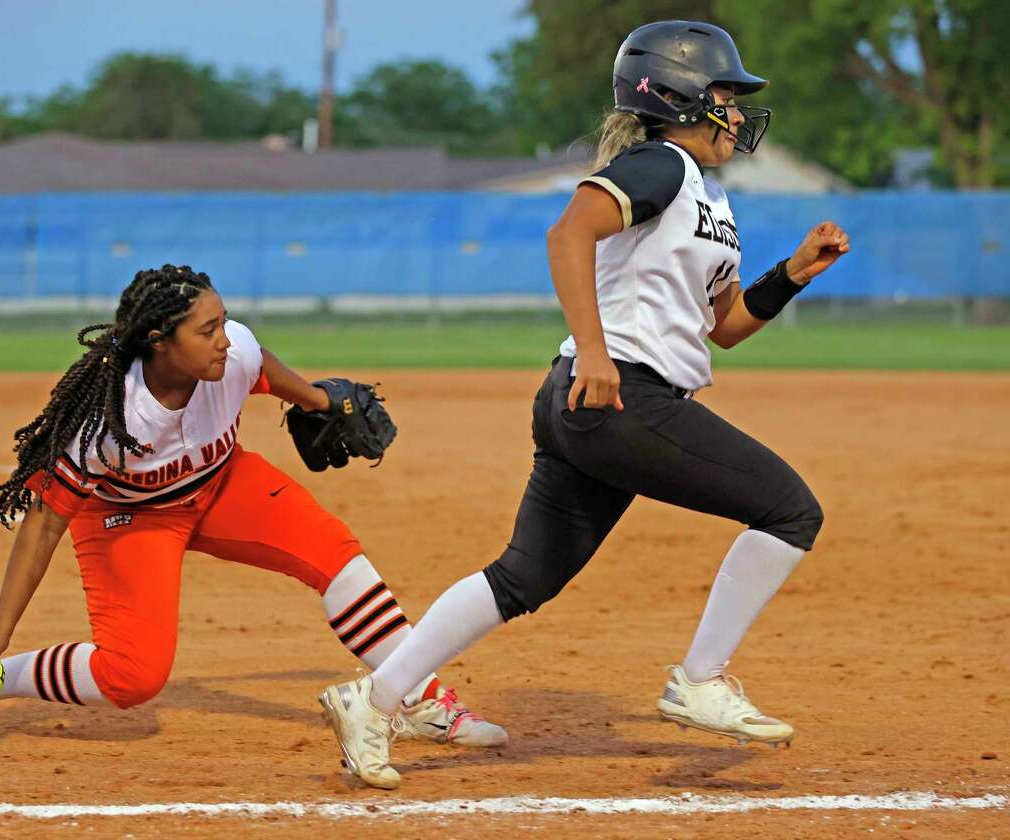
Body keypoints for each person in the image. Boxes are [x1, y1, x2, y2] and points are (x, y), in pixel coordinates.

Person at [318, 20, 850, 789]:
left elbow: (722, 329)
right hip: (617, 393)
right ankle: (700, 679)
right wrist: (595, 350)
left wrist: (793, 273)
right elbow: (568, 233)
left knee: (524, 577)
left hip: (591, 401)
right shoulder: (660, 163)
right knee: (790, 509)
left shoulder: (709, 196)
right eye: (725, 94)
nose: (736, 111)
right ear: (678, 96)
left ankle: (374, 698)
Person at [0, 264, 507, 758]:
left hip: (223, 485)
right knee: (133, 676)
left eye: (223, 322)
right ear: (158, 343)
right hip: (129, 519)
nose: (225, 337)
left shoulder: (232, 354)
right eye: (207, 329)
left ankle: (417, 697)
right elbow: (44, 525)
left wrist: (321, 399)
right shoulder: (108, 423)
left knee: (335, 555)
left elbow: (261, 363)